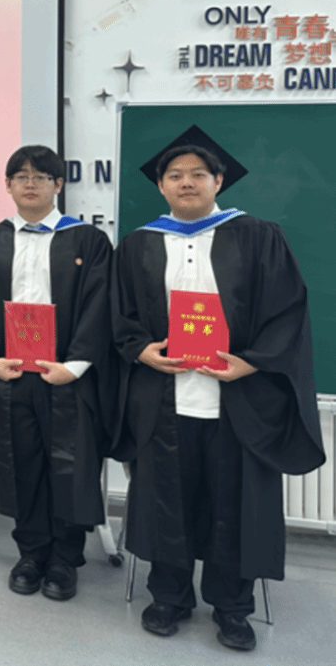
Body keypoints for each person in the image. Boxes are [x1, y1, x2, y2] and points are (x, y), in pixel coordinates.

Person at [111, 143, 325, 651]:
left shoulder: (259, 237)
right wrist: (141, 350)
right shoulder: (139, 245)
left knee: (236, 506)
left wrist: (252, 361)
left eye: (198, 174)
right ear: (160, 185)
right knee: (166, 500)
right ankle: (169, 596)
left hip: (237, 401)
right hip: (164, 400)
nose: (186, 182)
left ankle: (232, 607)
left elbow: (287, 311)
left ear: (218, 182)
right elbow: (119, 316)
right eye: (175, 175)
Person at [0, 145, 115, 601]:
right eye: (21, 176)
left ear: (58, 185)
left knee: (69, 466)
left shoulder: (88, 241)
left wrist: (75, 365)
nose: (31, 184)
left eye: (41, 177)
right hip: (9, 376)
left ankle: (65, 558)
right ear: (8, 185)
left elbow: (101, 305)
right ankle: (30, 553)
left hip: (66, 377)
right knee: (19, 464)